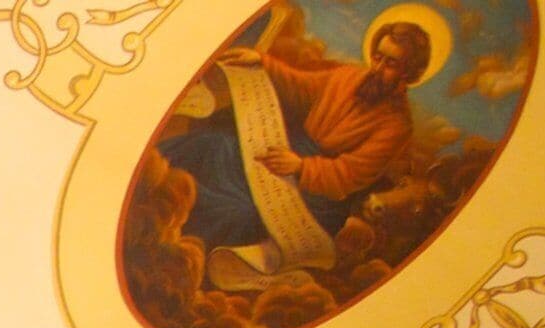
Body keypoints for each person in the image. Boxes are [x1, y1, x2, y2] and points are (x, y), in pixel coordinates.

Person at [156, 17, 435, 279]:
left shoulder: (397, 125)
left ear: (408, 72)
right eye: (378, 56)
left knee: (242, 210)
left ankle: (173, 257)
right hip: (291, 149)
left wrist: (301, 167)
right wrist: (263, 62)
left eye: (391, 63)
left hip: (318, 194)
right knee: (215, 146)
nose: (377, 66)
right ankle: (152, 187)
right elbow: (303, 84)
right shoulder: (348, 77)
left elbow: (350, 173)